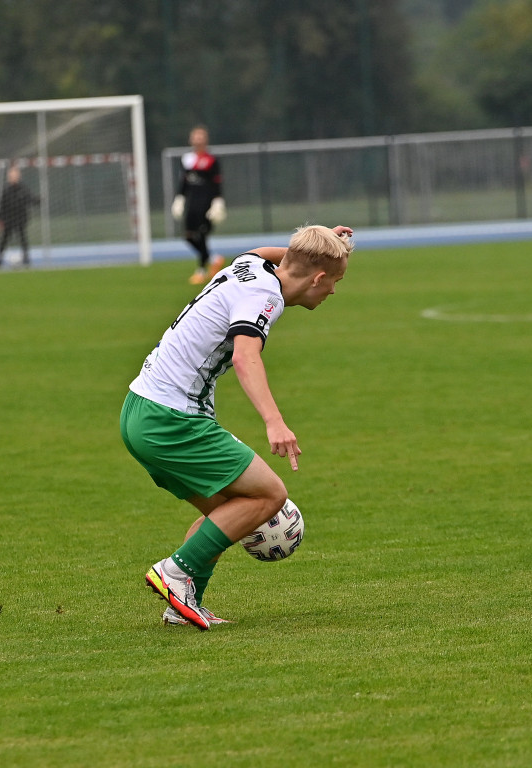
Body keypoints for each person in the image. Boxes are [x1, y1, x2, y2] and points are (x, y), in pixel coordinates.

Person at [121, 224, 354, 629]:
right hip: (170, 418)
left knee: (229, 513)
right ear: (317, 278)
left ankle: (183, 603)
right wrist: (274, 421)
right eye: (333, 281)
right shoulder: (263, 297)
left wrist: (321, 247)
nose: (332, 291)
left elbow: (270, 252)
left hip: (140, 410)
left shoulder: (252, 266)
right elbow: (247, 357)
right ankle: (174, 574)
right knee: (270, 495)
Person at [172, 125, 227, 285]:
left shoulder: (211, 160)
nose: (198, 139)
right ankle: (214, 259)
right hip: (192, 202)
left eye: (201, 136)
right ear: (191, 139)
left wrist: (217, 201)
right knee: (189, 236)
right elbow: (184, 182)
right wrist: (179, 198)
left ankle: (201, 271)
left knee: (202, 234)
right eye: (195, 136)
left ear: (206, 139)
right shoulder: (187, 159)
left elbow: (217, 183)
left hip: (206, 202)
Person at [0, 166, 39, 269]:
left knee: (23, 239)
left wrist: (38, 200)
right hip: (8, 219)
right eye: (11, 175)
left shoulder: (23, 188)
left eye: (15, 175)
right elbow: (1, 205)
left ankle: (26, 259)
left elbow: (30, 199)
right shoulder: (6, 190)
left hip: (20, 218)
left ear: (19, 176)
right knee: (4, 240)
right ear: (9, 177)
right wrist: (0, 219)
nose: (13, 177)